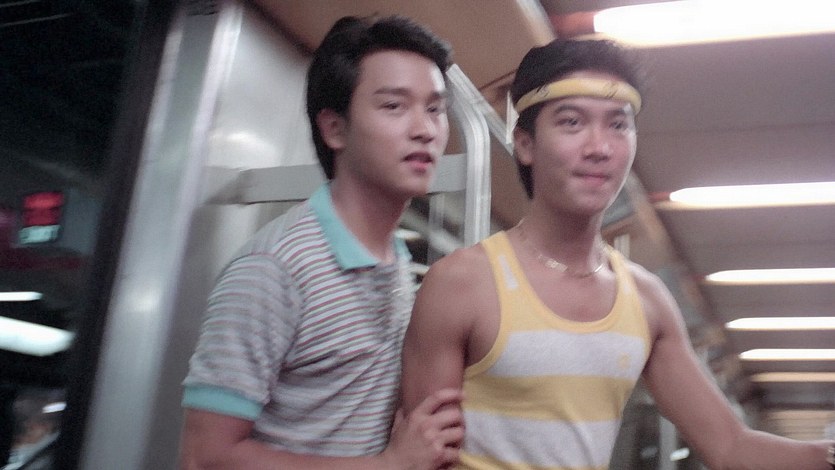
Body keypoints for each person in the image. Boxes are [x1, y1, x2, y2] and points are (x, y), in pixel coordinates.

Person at [400, 38, 835, 470]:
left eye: (618, 125)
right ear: (526, 144)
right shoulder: (462, 283)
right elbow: (421, 459)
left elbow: (730, 446)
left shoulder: (646, 300)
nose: (599, 147)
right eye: (572, 123)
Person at [179, 15, 464, 470]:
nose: (425, 130)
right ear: (335, 129)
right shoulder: (275, 269)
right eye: (394, 106)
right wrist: (390, 466)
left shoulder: (395, 258)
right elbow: (205, 457)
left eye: (434, 109)